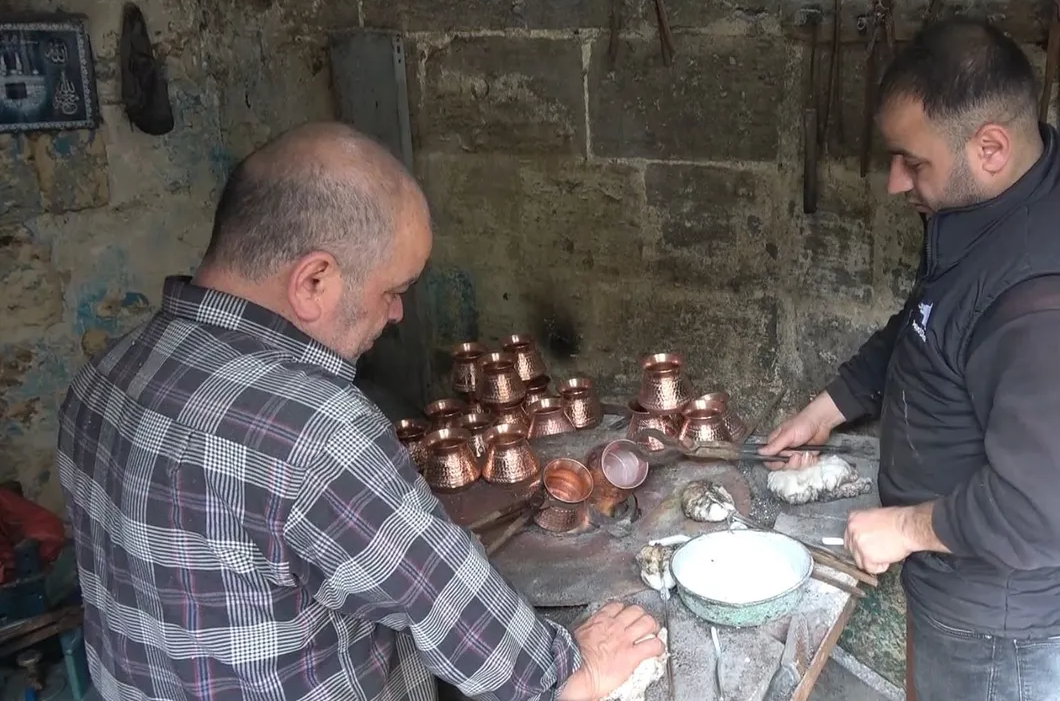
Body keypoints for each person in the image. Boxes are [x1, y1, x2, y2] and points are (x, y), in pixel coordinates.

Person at [57, 122, 662, 701]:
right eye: (393, 292)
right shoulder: (315, 429)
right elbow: (461, 616)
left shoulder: (102, 377)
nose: (397, 315)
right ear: (314, 281)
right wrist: (574, 666)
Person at [760, 19, 1060, 701]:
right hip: (961, 580)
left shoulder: (1055, 303)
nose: (893, 182)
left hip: (1006, 622)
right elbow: (928, 321)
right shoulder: (993, 211)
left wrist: (906, 527)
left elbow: (1042, 516)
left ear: (990, 147)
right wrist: (831, 406)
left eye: (913, 161)